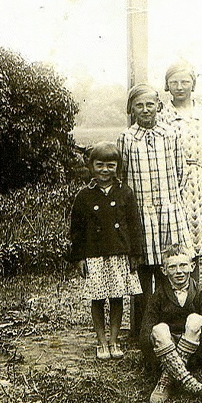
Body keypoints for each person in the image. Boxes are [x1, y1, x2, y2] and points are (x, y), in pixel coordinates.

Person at [117, 84, 194, 329]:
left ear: (159, 106)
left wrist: (169, 201)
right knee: (142, 270)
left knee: (166, 266)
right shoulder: (127, 138)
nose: (145, 110)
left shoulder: (170, 134)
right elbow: (122, 175)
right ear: (131, 109)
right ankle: (141, 327)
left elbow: (181, 172)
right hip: (141, 213)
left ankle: (168, 320)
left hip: (168, 210)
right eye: (139, 105)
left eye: (150, 104)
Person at [69, 142, 143, 361]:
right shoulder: (84, 196)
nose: (104, 170)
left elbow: (134, 224)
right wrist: (79, 258)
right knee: (98, 298)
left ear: (117, 167)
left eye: (110, 165)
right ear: (91, 167)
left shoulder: (125, 193)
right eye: (99, 165)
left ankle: (114, 340)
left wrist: (134, 254)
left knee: (117, 297)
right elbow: (77, 230)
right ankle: (101, 341)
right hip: (95, 254)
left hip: (119, 252)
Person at [160, 61, 202, 276]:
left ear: (193, 84)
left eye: (185, 82)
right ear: (167, 85)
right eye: (174, 82)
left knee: (196, 248)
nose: (180, 87)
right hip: (173, 183)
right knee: (175, 245)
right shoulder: (162, 116)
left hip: (201, 181)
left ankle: (193, 297)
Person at [139, 246, 202, 403]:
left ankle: (167, 378)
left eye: (183, 265)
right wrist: (156, 362)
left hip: (192, 350)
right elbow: (145, 334)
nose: (179, 271)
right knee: (159, 328)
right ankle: (193, 385)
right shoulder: (158, 296)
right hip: (165, 350)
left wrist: (196, 359)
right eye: (172, 267)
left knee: (195, 320)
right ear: (164, 270)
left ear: (192, 266)